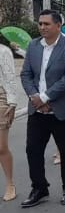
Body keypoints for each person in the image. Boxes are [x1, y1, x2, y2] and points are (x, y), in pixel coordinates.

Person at [20, 8, 65, 207]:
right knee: (33, 150)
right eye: (40, 24)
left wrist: (45, 97)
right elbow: (26, 74)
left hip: (60, 111)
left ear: (58, 25)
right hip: (37, 110)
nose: (42, 27)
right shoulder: (33, 46)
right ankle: (39, 188)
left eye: (46, 24)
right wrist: (34, 97)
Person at [0, 30, 19, 202]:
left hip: (1, 98)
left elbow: (10, 78)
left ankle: (10, 184)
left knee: (1, 147)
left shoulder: (3, 51)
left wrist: (12, 102)